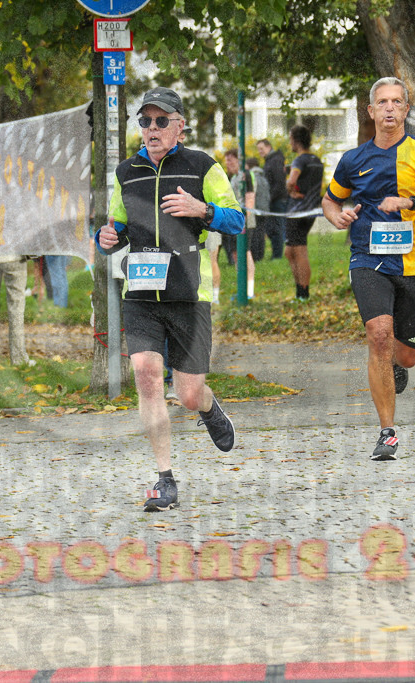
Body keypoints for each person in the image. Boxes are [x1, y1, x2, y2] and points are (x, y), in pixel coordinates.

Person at [95, 86, 244, 511]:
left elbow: (237, 220)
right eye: (145, 121)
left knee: (188, 394)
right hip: (141, 293)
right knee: (145, 375)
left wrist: (203, 210)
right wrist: (106, 237)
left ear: (180, 125)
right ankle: (165, 478)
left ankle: (208, 407)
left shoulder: (202, 166)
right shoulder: (127, 172)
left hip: (188, 294)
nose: (152, 129)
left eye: (161, 121)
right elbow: (116, 225)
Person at [322, 77, 415, 461]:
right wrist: (336, 216)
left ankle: (398, 365)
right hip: (368, 260)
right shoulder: (353, 160)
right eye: (382, 102)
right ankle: (387, 432)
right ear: (371, 111)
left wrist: (411, 203)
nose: (389, 108)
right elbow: (331, 200)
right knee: (379, 335)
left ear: (405, 110)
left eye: (396, 102)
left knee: (407, 355)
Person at [284, 125, 324, 302]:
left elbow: (291, 181)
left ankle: (303, 293)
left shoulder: (299, 160)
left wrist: (291, 190)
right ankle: (300, 290)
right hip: (310, 210)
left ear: (295, 140)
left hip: (297, 211)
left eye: (290, 139)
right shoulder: (316, 160)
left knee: (299, 251)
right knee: (289, 251)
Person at [224, 149, 257, 299]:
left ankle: (249, 291)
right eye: (226, 160)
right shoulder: (233, 177)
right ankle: (241, 288)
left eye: (230, 160)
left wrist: (243, 219)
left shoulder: (246, 175)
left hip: (244, 221)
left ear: (239, 160)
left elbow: (250, 198)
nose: (228, 164)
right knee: (236, 253)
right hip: (232, 220)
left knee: (245, 251)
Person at [256, 138, 287, 259]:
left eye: (261, 149)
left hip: (277, 200)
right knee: (271, 229)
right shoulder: (270, 160)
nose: (260, 151)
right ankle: (276, 254)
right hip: (273, 199)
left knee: (276, 229)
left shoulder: (275, 160)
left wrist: (269, 198)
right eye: (258, 149)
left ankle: (277, 255)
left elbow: (279, 183)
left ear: (269, 147)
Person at [245, 157, 271, 262]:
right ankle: (261, 255)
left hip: (255, 208)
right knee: (261, 233)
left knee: (255, 234)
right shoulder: (263, 178)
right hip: (265, 209)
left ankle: (255, 256)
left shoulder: (252, 177)